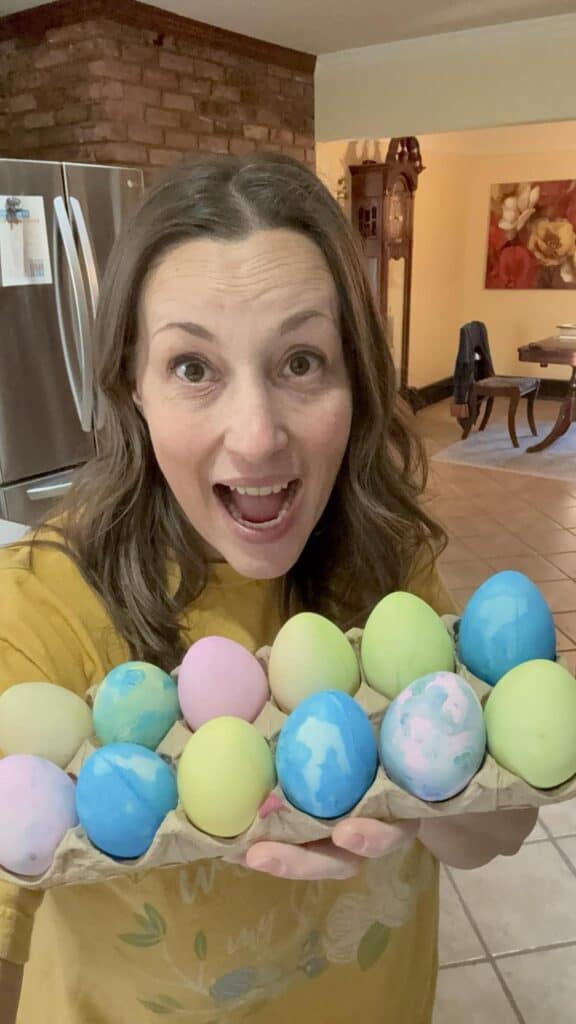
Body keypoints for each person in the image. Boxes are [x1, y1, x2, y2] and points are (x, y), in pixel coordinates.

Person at [0, 153, 536, 1024]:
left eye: (299, 361)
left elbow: (488, 830)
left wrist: (446, 802)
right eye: (191, 368)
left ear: (355, 385)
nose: (256, 439)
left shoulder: (386, 567)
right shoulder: (38, 612)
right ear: (130, 392)